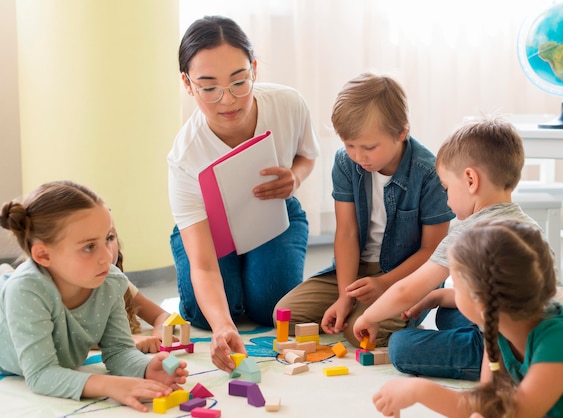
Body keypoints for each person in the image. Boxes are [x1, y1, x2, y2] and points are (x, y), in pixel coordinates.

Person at [168, 16, 320, 372]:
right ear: (188, 85)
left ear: (254, 68)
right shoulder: (184, 156)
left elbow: (307, 155)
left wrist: (295, 180)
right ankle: (228, 285)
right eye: (209, 88)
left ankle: (244, 276)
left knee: (272, 307)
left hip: (273, 216)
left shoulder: (287, 103)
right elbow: (203, 266)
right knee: (208, 316)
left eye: (239, 81)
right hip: (207, 232)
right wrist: (222, 325)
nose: (228, 100)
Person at [353, 115, 547, 381]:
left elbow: (405, 290)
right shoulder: (530, 226)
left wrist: (370, 317)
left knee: (400, 345)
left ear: (470, 180)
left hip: (501, 352)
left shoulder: (469, 232)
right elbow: (502, 297)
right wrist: (435, 297)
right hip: (541, 337)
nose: (446, 198)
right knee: (447, 311)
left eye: (445, 188)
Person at [372, 218, 563, 418]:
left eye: (456, 287)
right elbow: (486, 404)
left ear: (482, 303)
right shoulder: (499, 327)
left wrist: (420, 390)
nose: (451, 293)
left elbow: (518, 413)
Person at [274, 73, 454, 347]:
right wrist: (345, 297)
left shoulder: (428, 173)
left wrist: (384, 284)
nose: (359, 156)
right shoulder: (346, 163)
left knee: (361, 332)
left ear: (401, 133)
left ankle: (394, 315)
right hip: (354, 270)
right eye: (350, 145)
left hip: (406, 276)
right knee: (284, 316)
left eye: (369, 147)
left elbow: (433, 252)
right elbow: (346, 233)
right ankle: (357, 306)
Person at [0, 181, 188, 412]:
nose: (106, 257)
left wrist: (145, 368)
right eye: (89, 247)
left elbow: (119, 351)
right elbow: (40, 374)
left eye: (108, 238)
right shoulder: (27, 291)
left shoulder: (110, 281)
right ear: (43, 254)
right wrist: (109, 385)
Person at [107, 224, 173, 353]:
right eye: (90, 246)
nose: (105, 250)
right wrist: (130, 340)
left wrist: (159, 333)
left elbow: (163, 315)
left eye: (109, 237)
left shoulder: (121, 285)